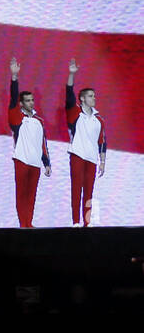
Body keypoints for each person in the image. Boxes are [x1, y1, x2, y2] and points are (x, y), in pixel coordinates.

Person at [8, 57, 51, 228]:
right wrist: (14, 77)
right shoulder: (17, 117)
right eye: (27, 100)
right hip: (21, 161)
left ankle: (29, 223)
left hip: (35, 162)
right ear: (21, 103)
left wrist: (46, 163)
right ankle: (22, 223)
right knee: (22, 194)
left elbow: (43, 144)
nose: (31, 102)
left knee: (32, 195)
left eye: (32, 100)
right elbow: (12, 99)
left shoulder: (39, 121)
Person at [66, 59, 106, 226]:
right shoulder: (75, 113)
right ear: (82, 99)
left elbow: (102, 142)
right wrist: (72, 74)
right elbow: (68, 94)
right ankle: (75, 222)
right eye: (90, 96)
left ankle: (87, 222)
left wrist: (102, 161)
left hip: (91, 159)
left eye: (94, 96)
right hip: (77, 155)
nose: (93, 98)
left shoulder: (99, 120)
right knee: (77, 189)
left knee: (89, 192)